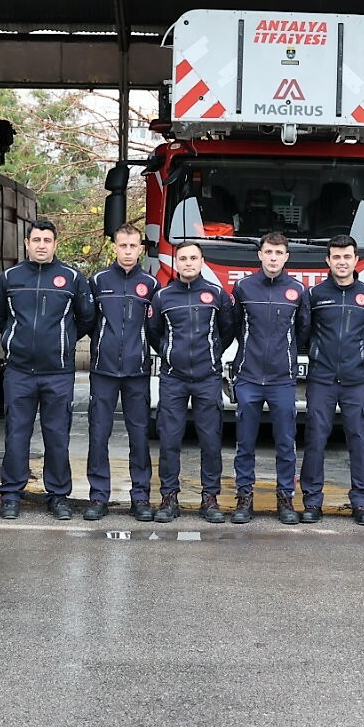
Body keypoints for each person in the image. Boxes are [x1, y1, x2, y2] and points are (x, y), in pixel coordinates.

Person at [0, 219, 96, 521]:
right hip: (19, 371)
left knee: (57, 436)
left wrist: (60, 342)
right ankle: (11, 494)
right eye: (36, 239)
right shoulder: (10, 277)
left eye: (47, 240)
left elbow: (86, 319)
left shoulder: (72, 278)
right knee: (16, 434)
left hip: (58, 373)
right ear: (26, 243)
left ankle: (58, 496)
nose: (41, 245)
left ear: (55, 244)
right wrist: (17, 339)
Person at [146, 240, 238, 523]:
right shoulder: (163, 297)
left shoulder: (217, 295)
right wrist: (170, 354)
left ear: (201, 262)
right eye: (183, 258)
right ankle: (168, 498)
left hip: (207, 378)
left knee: (210, 441)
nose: (187, 263)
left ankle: (209, 499)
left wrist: (210, 355)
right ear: (176, 263)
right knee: (170, 441)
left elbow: (228, 331)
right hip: (173, 379)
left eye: (193, 258)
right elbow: (153, 333)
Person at [229, 231, 310, 525]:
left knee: (286, 442)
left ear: (286, 257)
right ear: (260, 255)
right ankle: (244, 498)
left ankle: (285, 499)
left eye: (279, 253)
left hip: (282, 380)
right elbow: (235, 327)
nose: (273, 258)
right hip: (249, 378)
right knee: (245, 442)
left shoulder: (298, 290)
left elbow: (303, 331)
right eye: (269, 252)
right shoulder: (243, 287)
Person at [301, 235, 364, 525]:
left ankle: (361, 502)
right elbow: (304, 332)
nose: (342, 262)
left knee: (359, 439)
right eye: (336, 257)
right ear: (328, 260)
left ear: (356, 260)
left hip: (355, 380)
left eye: (347, 257)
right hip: (321, 379)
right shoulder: (315, 295)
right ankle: (312, 501)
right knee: (315, 440)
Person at [87, 223, 159, 521]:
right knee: (98, 434)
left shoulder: (151, 285)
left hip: (137, 372)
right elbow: (87, 321)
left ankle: (140, 497)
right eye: (122, 246)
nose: (128, 251)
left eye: (133, 246)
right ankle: (98, 497)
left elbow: (155, 328)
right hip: (103, 371)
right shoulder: (98, 281)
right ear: (114, 247)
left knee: (139, 436)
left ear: (141, 248)